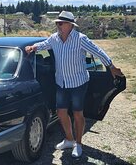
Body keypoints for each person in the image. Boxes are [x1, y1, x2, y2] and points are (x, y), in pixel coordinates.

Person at [25, 11, 124, 158]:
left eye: (61, 23)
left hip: (78, 83)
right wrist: (33, 47)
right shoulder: (54, 39)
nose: (58, 25)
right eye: (57, 23)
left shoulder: (80, 39)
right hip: (62, 83)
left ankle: (78, 143)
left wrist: (111, 67)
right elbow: (43, 44)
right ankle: (69, 139)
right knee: (61, 113)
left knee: (78, 114)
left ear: (70, 25)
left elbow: (98, 52)